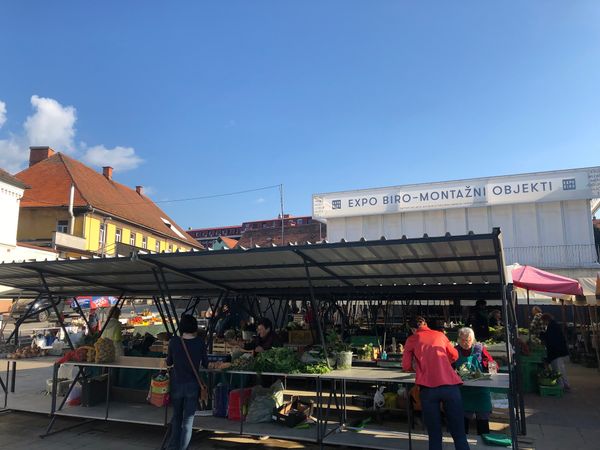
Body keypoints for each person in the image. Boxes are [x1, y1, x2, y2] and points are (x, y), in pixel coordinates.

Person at [402, 316, 470, 450]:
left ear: (413, 329)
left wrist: (417, 368)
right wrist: (442, 363)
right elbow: (455, 355)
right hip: (450, 387)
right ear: (426, 324)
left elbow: (405, 365)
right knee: (459, 433)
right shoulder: (440, 335)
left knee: (434, 435)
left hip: (428, 389)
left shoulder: (412, 339)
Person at [166, 314, 208, 450]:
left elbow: (169, 362)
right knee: (188, 421)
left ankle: (173, 446)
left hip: (177, 384)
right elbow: (206, 363)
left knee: (176, 417)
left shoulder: (174, 342)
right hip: (192, 386)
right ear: (195, 327)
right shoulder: (200, 342)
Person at [454, 327, 494, 435]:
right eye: (463, 340)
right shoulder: (454, 351)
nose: (466, 342)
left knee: (483, 425)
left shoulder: (479, 349)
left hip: (480, 393)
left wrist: (488, 366)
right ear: (458, 339)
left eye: (468, 340)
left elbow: (491, 363)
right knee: (462, 424)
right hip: (464, 393)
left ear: (473, 339)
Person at [539, 313, 570, 391]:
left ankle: (561, 385)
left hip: (556, 352)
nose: (543, 323)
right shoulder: (554, 325)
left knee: (557, 369)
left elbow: (550, 339)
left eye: (543, 321)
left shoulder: (552, 326)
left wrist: (543, 335)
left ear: (546, 320)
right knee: (561, 369)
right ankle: (566, 384)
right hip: (559, 350)